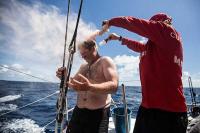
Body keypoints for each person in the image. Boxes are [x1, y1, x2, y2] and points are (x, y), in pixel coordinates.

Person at [102, 13, 188, 133]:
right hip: (147, 108)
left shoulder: (167, 32)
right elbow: (138, 46)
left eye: (152, 24)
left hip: (169, 113)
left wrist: (111, 22)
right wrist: (119, 38)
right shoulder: (153, 45)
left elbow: (136, 24)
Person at [56, 40, 118, 133]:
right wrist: (64, 77)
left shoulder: (105, 61)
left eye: (84, 53)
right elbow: (73, 84)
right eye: (81, 54)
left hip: (98, 114)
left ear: (93, 48)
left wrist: (90, 87)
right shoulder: (83, 66)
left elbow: (114, 86)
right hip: (78, 112)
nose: (82, 56)